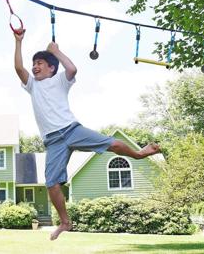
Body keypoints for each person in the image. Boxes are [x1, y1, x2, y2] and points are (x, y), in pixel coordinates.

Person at [14, 29, 160, 240]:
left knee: (114, 144)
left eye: (40, 63)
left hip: (72, 130)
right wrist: (19, 41)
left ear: (51, 68)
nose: (34, 66)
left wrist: (57, 51)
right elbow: (19, 68)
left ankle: (139, 154)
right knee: (51, 184)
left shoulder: (60, 80)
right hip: (53, 141)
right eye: (33, 63)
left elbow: (72, 68)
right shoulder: (32, 86)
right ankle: (65, 222)